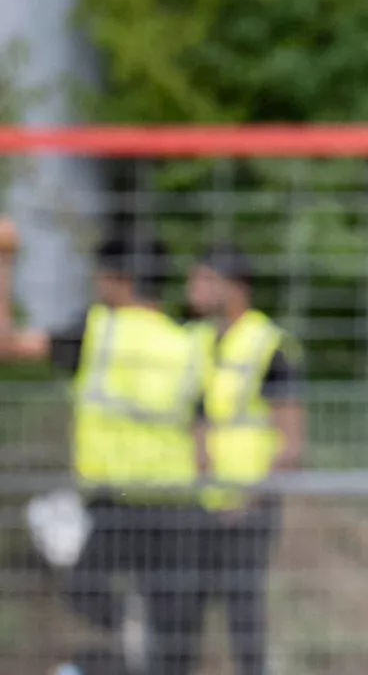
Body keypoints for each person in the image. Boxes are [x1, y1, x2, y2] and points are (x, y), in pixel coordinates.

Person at [0, 226, 209, 675]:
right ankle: (135, 649)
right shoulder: (186, 343)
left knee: (87, 591)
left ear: (120, 280)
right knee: (173, 638)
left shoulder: (97, 330)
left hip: (119, 501)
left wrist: (5, 262)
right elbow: (203, 430)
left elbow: (7, 343)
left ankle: (121, 645)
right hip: (179, 501)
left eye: (101, 276)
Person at [184, 242, 305, 675]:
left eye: (202, 279)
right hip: (198, 500)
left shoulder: (267, 345)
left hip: (248, 505)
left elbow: (291, 441)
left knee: (243, 611)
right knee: (182, 608)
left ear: (233, 288)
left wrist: (251, 498)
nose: (191, 289)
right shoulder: (196, 339)